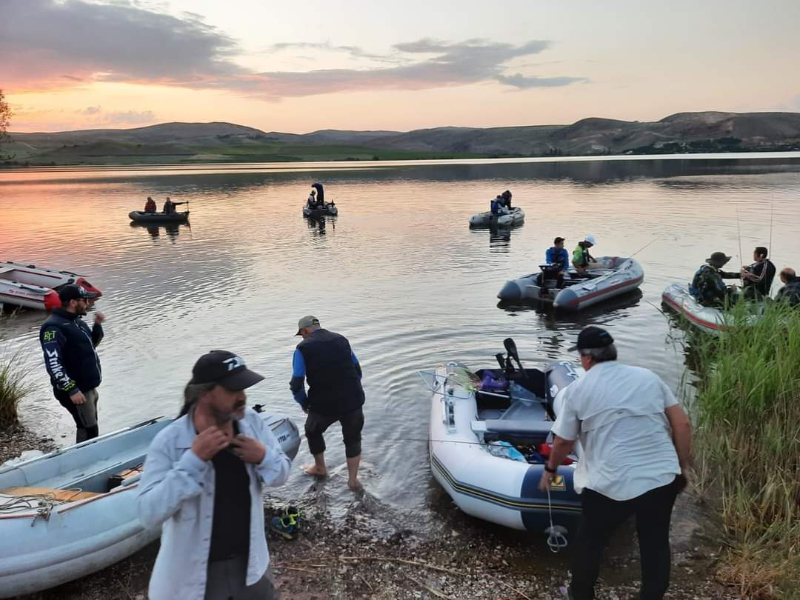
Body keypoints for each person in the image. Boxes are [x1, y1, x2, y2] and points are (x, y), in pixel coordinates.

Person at [539, 326, 693, 600]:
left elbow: (563, 442)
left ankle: (581, 594)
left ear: (586, 358)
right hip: (660, 478)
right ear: (613, 352)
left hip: (608, 483)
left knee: (590, 543)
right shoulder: (649, 377)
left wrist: (550, 469)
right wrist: (682, 467)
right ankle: (651, 595)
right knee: (655, 543)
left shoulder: (578, 389)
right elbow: (682, 423)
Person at [138, 350, 291, 600]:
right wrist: (193, 461)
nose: (242, 397)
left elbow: (281, 474)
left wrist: (264, 456)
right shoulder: (170, 441)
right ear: (204, 394)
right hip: (194, 575)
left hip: (252, 566)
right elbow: (147, 513)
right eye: (233, 390)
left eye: (244, 388)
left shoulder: (252, 423)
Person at [289, 315, 365, 491]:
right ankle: (353, 480)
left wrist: (304, 403)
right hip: (353, 399)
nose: (302, 337)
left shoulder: (302, 348)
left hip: (324, 404)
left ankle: (320, 468)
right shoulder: (341, 340)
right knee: (353, 438)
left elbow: (297, 382)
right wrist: (353, 389)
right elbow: (357, 369)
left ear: (304, 330)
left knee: (312, 430)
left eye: (301, 334)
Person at [39, 284, 105, 443]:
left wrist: (97, 326)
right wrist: (71, 389)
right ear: (73, 302)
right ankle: (84, 463)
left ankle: (89, 459)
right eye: (85, 300)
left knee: (90, 427)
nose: (88, 303)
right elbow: (53, 362)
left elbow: (88, 347)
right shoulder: (53, 327)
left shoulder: (77, 322)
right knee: (88, 430)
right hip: (76, 390)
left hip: (88, 387)